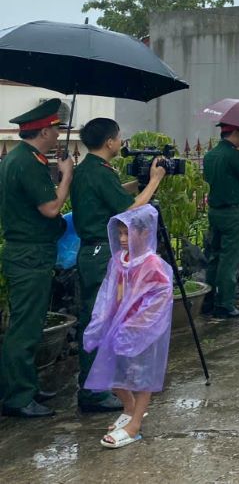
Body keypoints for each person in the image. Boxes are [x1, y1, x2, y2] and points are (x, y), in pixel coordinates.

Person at [70, 118, 167, 415]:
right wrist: (155, 181)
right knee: (102, 319)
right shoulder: (98, 173)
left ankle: (96, 386)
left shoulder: (89, 169)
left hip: (92, 251)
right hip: (101, 252)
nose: (120, 142)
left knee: (98, 317)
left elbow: (115, 196)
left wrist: (138, 182)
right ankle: (94, 392)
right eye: (118, 137)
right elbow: (130, 210)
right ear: (110, 141)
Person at [0, 99, 74, 418]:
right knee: (25, 329)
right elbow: (51, 208)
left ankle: (25, 387)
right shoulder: (27, 163)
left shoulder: (22, 158)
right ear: (44, 130)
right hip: (29, 255)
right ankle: (18, 398)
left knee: (29, 324)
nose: (59, 135)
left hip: (28, 252)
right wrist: (67, 176)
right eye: (56, 129)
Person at [84, 206, 172, 449]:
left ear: (145, 233)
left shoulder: (153, 264)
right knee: (113, 373)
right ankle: (130, 408)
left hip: (141, 331)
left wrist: (137, 325)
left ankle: (134, 426)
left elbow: (160, 297)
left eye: (128, 233)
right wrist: (100, 321)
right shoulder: (119, 260)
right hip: (116, 327)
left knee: (141, 377)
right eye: (120, 233)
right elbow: (109, 291)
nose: (123, 239)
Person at [202, 124, 239, 319]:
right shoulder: (233, 156)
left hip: (215, 212)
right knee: (229, 259)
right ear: (234, 133)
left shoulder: (210, 155)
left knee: (214, 256)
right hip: (233, 213)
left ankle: (207, 300)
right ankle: (225, 304)